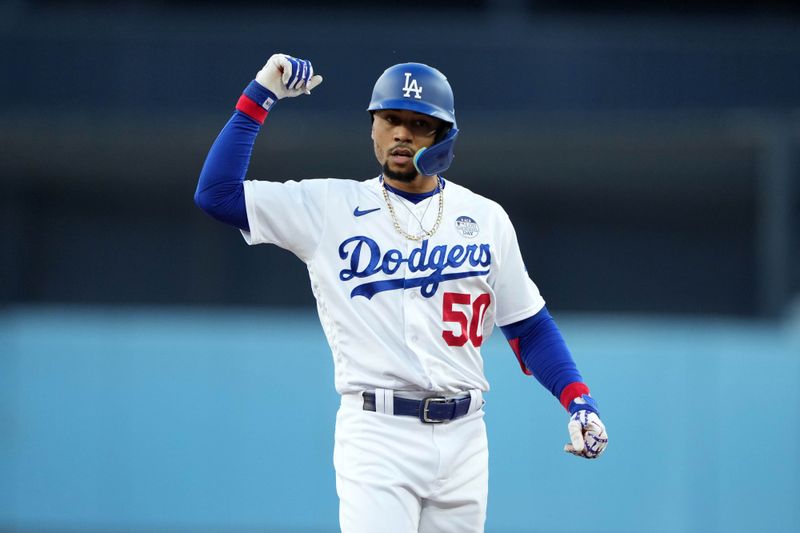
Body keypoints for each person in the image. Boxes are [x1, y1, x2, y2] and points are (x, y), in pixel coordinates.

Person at [194, 53, 607, 533]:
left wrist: (579, 400)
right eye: (391, 119)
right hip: (377, 432)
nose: (402, 134)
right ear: (373, 125)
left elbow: (528, 325)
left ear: (444, 136)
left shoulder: (485, 218)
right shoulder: (331, 206)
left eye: (419, 123)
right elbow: (216, 194)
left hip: (465, 436)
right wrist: (261, 94)